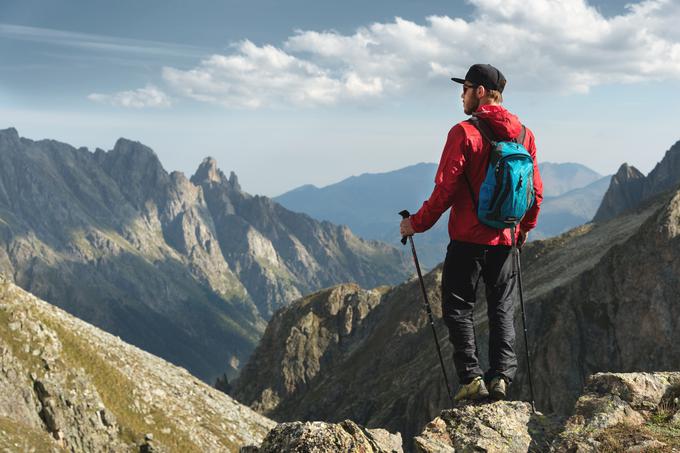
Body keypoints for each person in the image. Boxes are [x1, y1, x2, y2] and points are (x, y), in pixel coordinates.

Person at [399, 63, 543, 402]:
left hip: (467, 239)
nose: (461, 95)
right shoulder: (525, 135)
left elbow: (444, 190)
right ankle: (501, 378)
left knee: (458, 307)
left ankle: (471, 378)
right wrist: (522, 231)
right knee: (501, 308)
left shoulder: (464, 133)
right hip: (506, 239)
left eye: (464, 89)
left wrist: (415, 224)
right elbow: (535, 192)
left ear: (480, 91)